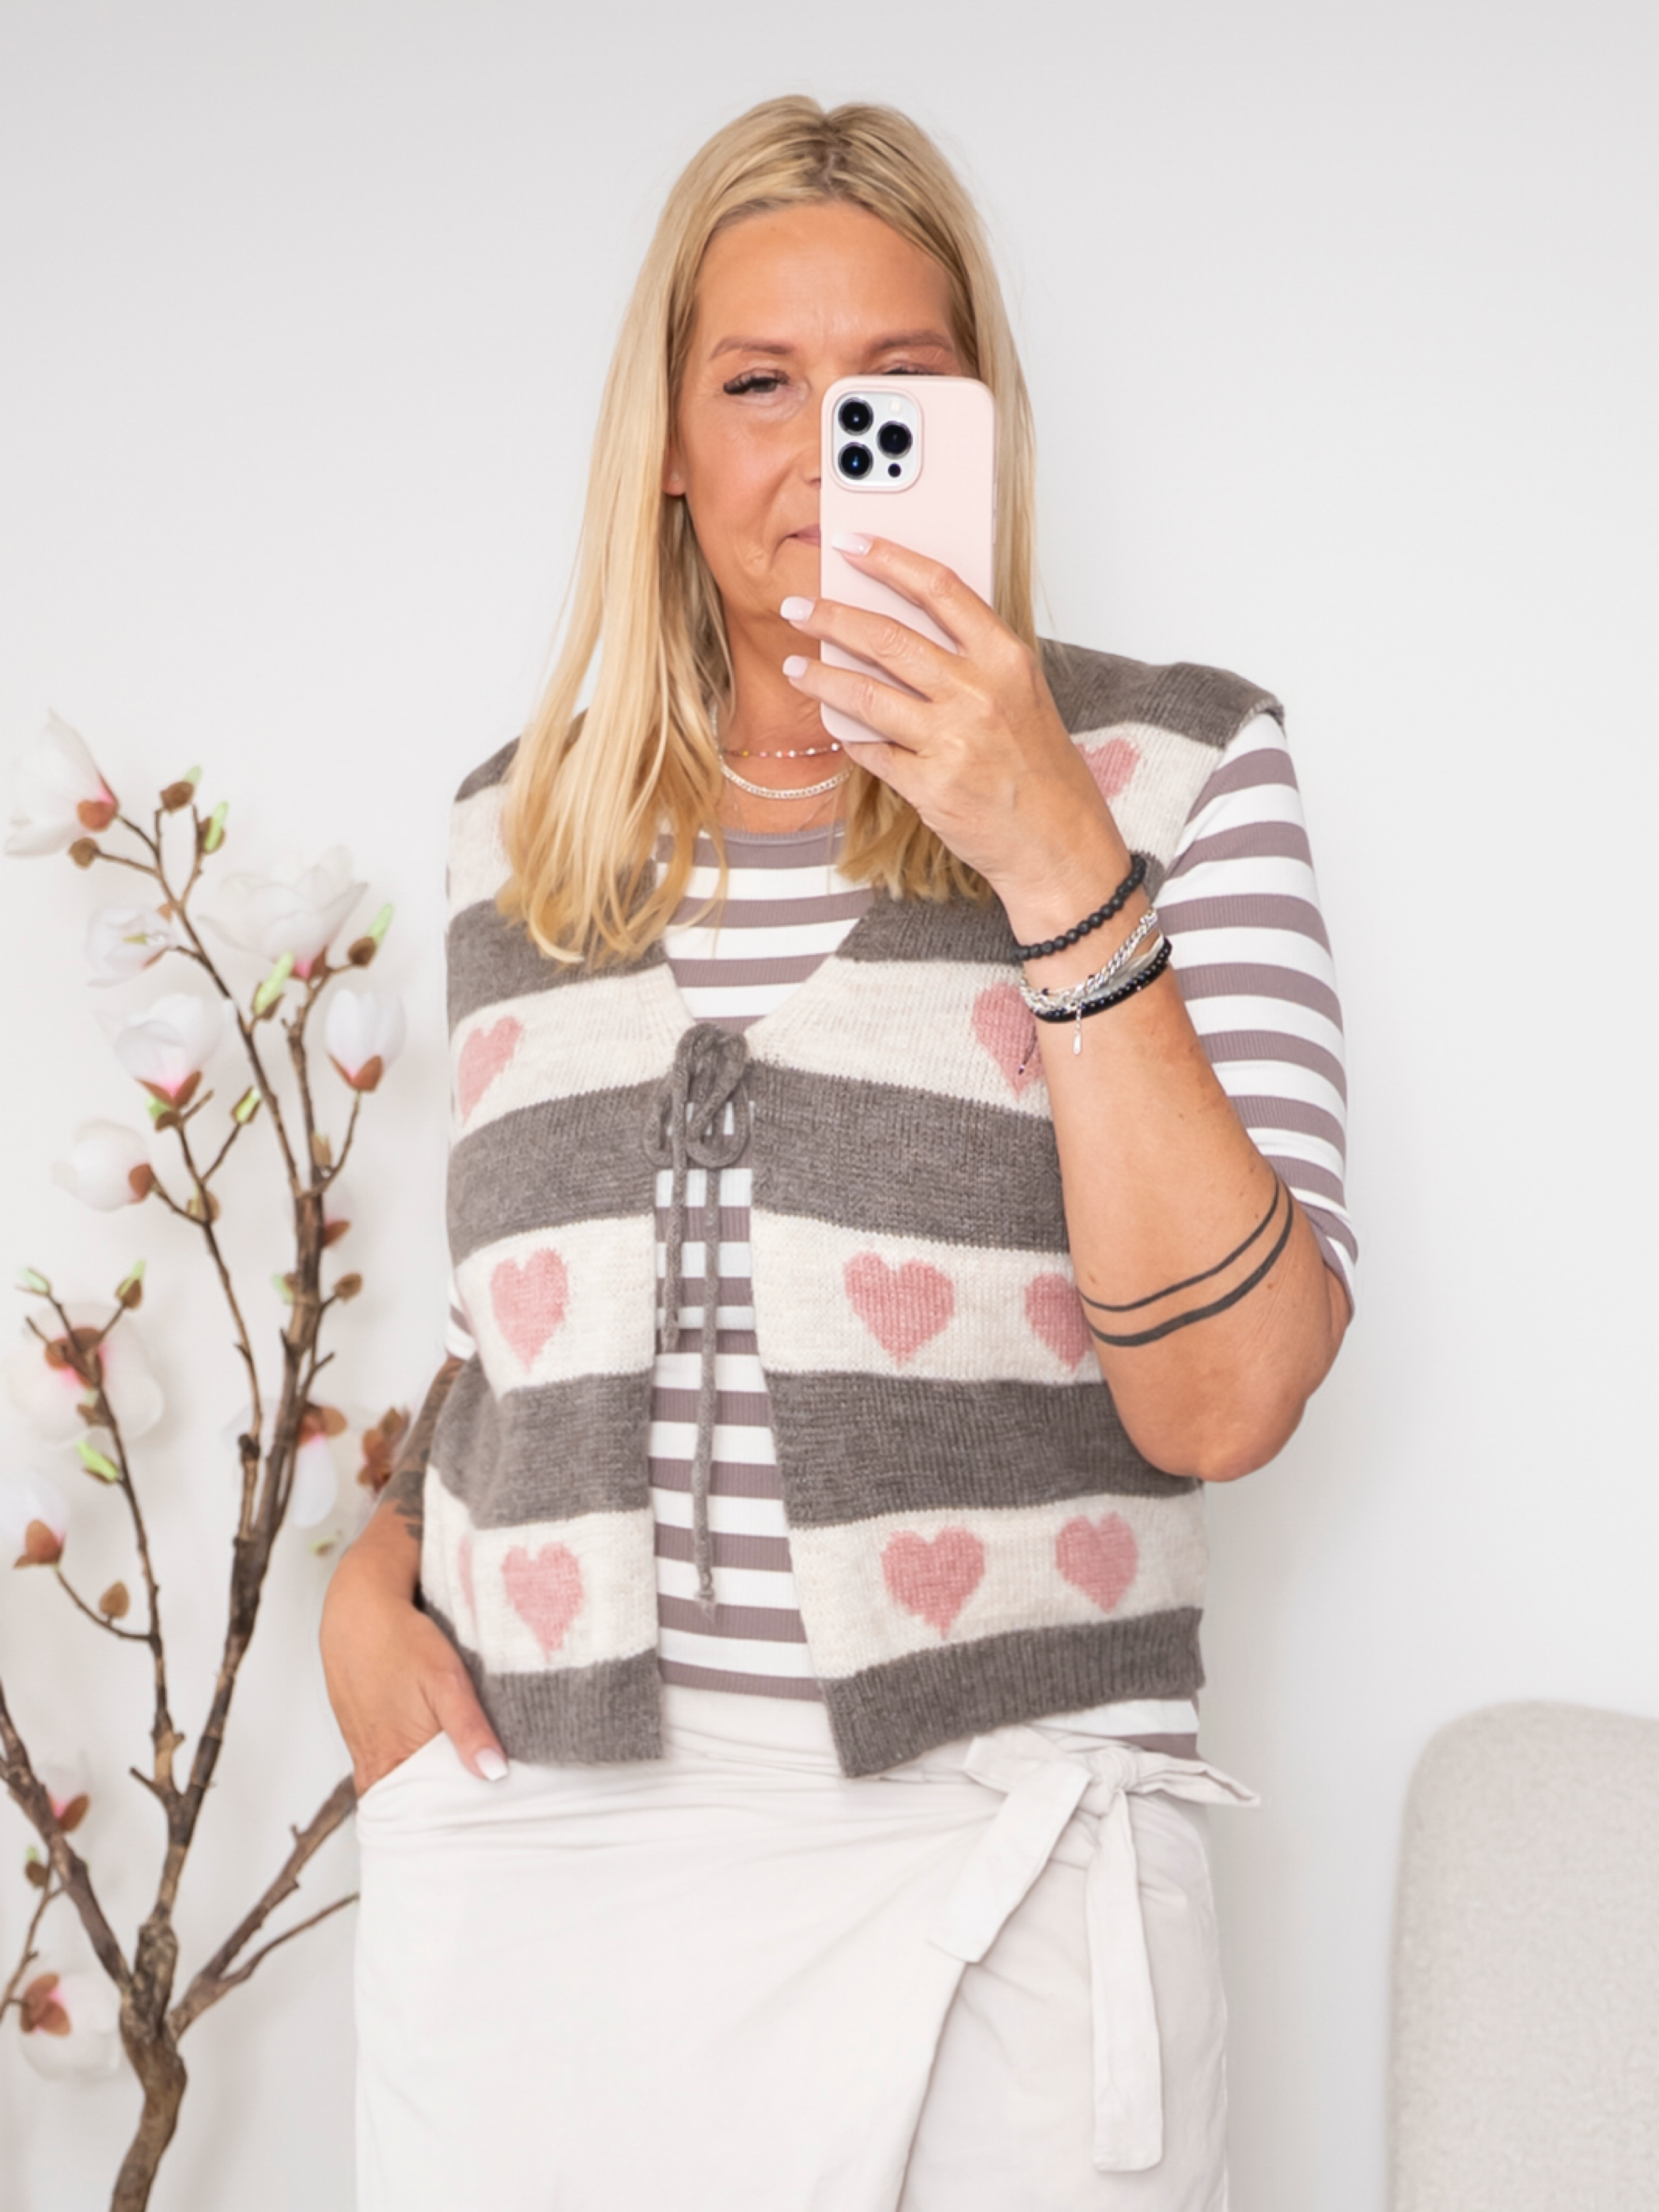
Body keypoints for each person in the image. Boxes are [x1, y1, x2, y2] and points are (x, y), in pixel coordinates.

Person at [321, 94, 1354, 2212]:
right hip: (550, 1874)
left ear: (984, 422)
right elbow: (522, 1331)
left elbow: (1231, 1397)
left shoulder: (1179, 767)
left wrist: (1049, 843)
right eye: (759, 385)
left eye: (895, 383)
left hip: (997, 1860)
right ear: (669, 441)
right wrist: (374, 1564)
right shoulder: (519, 831)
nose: (820, 451)